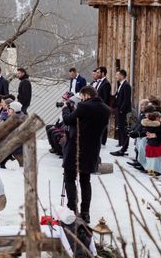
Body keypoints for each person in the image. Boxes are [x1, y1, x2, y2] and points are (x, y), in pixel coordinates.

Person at [61, 85, 110, 223]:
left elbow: (68, 120)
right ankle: (86, 212)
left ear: (86, 95)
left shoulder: (83, 107)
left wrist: (65, 109)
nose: (81, 99)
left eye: (82, 97)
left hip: (76, 148)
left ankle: (72, 208)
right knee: (85, 180)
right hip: (92, 149)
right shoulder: (106, 109)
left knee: (70, 178)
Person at [111, 69, 132, 157]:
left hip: (123, 110)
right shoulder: (121, 84)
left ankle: (124, 146)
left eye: (117, 75)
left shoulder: (126, 85)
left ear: (122, 76)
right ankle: (121, 143)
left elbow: (126, 99)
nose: (116, 76)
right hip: (118, 109)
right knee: (120, 127)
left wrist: (121, 110)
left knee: (123, 128)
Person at [92, 67, 112, 145]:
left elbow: (105, 98)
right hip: (96, 107)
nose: (97, 74)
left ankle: (103, 142)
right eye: (96, 72)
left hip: (102, 108)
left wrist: (100, 107)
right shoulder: (98, 82)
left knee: (103, 124)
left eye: (98, 72)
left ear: (103, 73)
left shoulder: (106, 83)